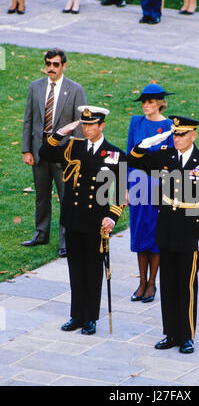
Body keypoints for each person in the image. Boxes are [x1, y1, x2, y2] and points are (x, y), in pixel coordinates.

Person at [127, 115, 199, 354]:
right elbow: (134, 159)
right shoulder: (165, 156)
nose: (177, 139)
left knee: (186, 286)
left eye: (182, 134)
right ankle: (170, 333)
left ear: (193, 135)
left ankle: (187, 336)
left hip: (190, 230)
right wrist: (147, 142)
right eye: (175, 134)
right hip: (166, 230)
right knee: (167, 285)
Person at [39, 106, 126, 335]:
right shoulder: (72, 146)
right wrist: (60, 133)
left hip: (96, 222)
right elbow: (45, 153)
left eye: (91, 125)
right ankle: (76, 315)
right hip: (74, 218)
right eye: (84, 125)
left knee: (93, 270)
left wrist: (113, 216)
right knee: (75, 269)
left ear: (102, 126)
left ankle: (90, 318)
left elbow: (120, 189)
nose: (87, 129)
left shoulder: (115, 154)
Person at [21, 48, 86, 258]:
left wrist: (74, 155)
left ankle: (66, 241)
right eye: (48, 63)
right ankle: (41, 233)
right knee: (41, 196)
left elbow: (80, 125)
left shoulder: (75, 89)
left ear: (64, 66)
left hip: (64, 155)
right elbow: (29, 120)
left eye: (55, 64)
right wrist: (26, 150)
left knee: (66, 197)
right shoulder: (35, 87)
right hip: (40, 152)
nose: (51, 68)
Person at [127, 84, 174, 304]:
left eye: (151, 102)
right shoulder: (136, 122)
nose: (147, 106)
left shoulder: (169, 126)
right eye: (144, 102)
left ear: (160, 103)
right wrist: (125, 188)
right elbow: (129, 155)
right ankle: (141, 281)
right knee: (139, 232)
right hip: (137, 183)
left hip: (158, 184)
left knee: (156, 234)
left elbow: (170, 160)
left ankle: (152, 281)